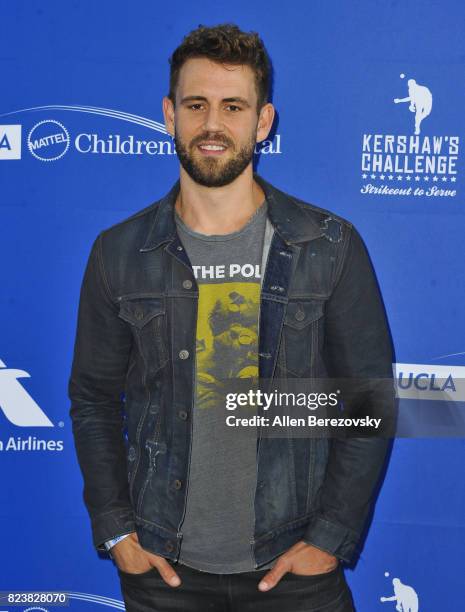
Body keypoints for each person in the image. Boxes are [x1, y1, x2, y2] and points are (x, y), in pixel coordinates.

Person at [69, 23, 395, 612]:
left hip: (295, 574)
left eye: (232, 106)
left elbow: (369, 400)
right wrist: (118, 532)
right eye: (196, 105)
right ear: (170, 114)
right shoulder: (118, 253)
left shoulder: (328, 246)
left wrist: (327, 539)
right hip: (161, 574)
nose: (212, 125)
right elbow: (93, 399)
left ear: (262, 122)